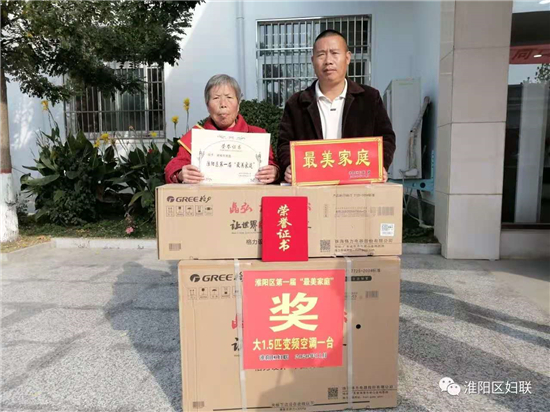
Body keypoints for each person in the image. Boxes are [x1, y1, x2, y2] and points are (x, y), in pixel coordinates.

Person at [277, 29, 396, 183]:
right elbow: (284, 143)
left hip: (357, 185)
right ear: (313, 60)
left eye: (334, 53)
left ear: (347, 57)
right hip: (313, 185)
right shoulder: (296, 103)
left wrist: (380, 164)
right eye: (321, 55)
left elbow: (386, 138)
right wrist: (289, 165)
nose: (328, 61)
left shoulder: (369, 98)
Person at [165, 74, 279, 184]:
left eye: (229, 97)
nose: (223, 104)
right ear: (207, 105)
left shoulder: (257, 135)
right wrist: (180, 174)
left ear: (238, 104)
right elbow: (173, 167)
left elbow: (272, 163)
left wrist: (274, 172)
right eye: (216, 98)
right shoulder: (195, 138)